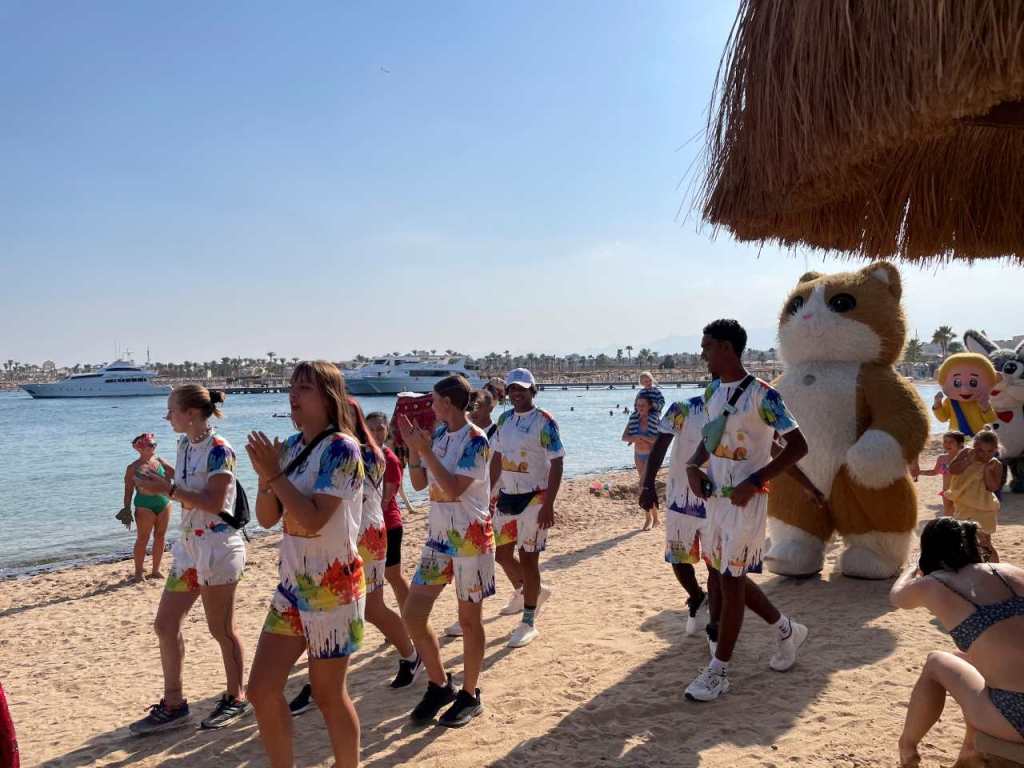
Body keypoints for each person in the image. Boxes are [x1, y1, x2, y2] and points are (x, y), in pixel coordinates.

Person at [245, 361, 365, 768]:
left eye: (305, 388)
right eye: (292, 387)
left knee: (328, 695)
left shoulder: (343, 449)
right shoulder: (292, 448)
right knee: (261, 690)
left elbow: (314, 520)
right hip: (292, 586)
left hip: (334, 587)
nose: (293, 395)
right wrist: (266, 477)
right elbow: (266, 518)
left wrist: (274, 473)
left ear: (328, 397)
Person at [683, 319, 810, 702]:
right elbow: (710, 439)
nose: (702, 354)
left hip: (746, 502)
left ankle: (719, 670)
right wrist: (693, 465)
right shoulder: (712, 391)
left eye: (707, 347)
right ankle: (787, 629)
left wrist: (755, 481)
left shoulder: (763, 396)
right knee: (725, 577)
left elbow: (798, 446)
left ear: (726, 348)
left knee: (732, 580)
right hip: (716, 502)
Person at [130, 385, 249, 734]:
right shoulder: (184, 445)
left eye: (172, 410)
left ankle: (236, 697)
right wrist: (159, 482)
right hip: (189, 548)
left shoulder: (220, 450)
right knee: (165, 625)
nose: (167, 416)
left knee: (221, 629)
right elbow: (186, 493)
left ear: (191, 413)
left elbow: (215, 502)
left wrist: (165, 490)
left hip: (218, 548)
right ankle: (174, 704)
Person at [399, 374, 495, 728]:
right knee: (413, 613)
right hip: (438, 539)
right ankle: (440, 685)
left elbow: (454, 488)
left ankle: (470, 694)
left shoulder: (476, 440)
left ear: (449, 403)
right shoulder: (439, 436)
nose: (430, 405)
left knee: (469, 620)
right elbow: (419, 483)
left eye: (434, 400)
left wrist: (424, 450)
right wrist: (413, 449)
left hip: (471, 537)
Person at [890, 518, 1024, 766]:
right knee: (965, 663)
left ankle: (907, 749)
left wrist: (912, 566)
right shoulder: (1011, 572)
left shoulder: (935, 583)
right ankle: (969, 754)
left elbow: (897, 597)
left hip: (1016, 715)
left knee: (936, 662)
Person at [488, 368, 564, 648]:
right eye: (512, 389)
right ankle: (533, 591)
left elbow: (557, 462)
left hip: (535, 497)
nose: (516, 393)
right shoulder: (504, 419)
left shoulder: (544, 421)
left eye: (522, 388)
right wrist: (489, 492)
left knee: (528, 558)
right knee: (502, 554)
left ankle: (528, 621)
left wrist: (549, 504)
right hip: (507, 496)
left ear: (533, 390)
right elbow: (497, 457)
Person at [639, 393, 717, 636]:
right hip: (681, 499)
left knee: (716, 563)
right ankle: (697, 597)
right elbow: (659, 446)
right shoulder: (683, 408)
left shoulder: (734, 408)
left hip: (719, 501)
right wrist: (648, 485)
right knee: (678, 557)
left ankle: (716, 621)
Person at [366, 411, 412, 612]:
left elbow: (386, 500)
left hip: (389, 525)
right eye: (371, 429)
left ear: (387, 431)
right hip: (372, 525)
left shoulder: (389, 459)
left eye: (380, 429)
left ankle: (410, 616)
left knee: (393, 575)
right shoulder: (365, 455)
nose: (376, 433)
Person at [122, 433, 174, 582]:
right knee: (143, 538)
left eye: (155, 444)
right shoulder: (133, 467)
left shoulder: (160, 461)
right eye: (151, 445)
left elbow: (175, 475)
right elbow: (128, 490)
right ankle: (138, 573)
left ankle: (156, 570)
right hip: (144, 504)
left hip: (164, 502)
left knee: (160, 536)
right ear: (140, 448)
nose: (154, 447)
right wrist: (126, 509)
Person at [946, 430, 1004, 562]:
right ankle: (972, 566)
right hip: (963, 505)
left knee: (985, 543)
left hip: (984, 507)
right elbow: (952, 470)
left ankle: (996, 568)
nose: (985, 454)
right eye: (981, 450)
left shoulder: (996, 464)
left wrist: (987, 471)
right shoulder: (966, 453)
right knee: (963, 539)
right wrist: (968, 461)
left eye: (990, 451)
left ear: (996, 449)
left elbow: (992, 487)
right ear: (974, 446)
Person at [622, 391, 661, 529]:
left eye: (643, 405)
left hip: (651, 455)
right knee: (647, 485)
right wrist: (634, 438)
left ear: (650, 406)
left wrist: (642, 437)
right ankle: (654, 518)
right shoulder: (634, 419)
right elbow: (624, 437)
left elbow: (658, 440)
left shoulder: (655, 420)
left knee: (645, 484)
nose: (640, 408)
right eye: (638, 405)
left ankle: (650, 519)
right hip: (638, 455)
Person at [913, 431, 966, 518]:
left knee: (962, 515)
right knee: (948, 515)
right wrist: (919, 472)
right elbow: (934, 472)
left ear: (960, 444)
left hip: (962, 492)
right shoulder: (942, 458)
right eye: (945, 441)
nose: (947, 444)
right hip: (947, 492)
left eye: (951, 442)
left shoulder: (965, 458)